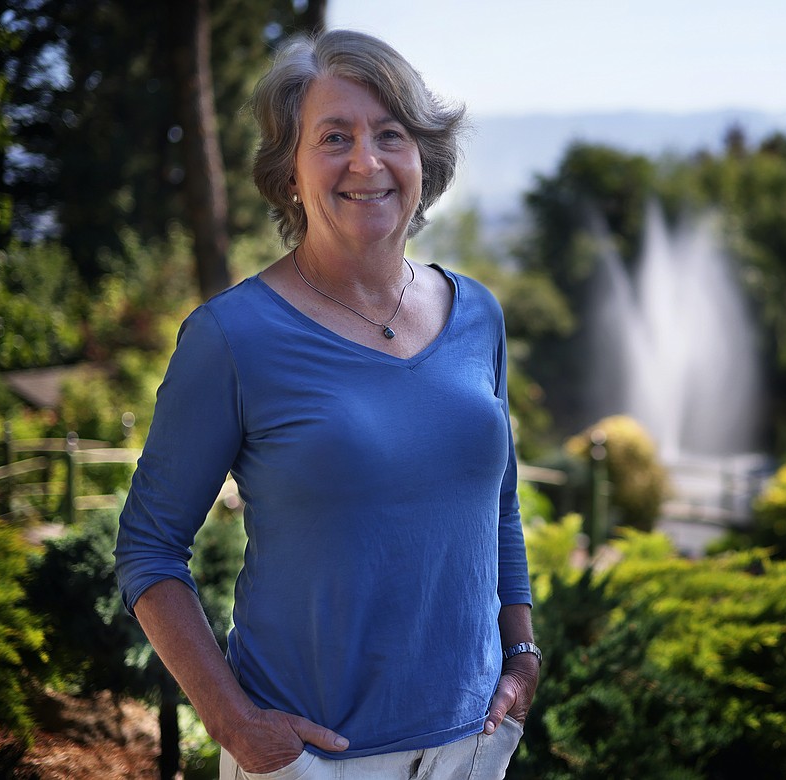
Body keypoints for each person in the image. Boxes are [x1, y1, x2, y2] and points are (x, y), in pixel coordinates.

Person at [114, 29, 539, 779]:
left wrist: (523, 653)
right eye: (334, 137)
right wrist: (236, 723)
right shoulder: (232, 337)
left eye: (391, 135)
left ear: (424, 161)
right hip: (313, 761)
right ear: (288, 173)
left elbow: (497, 501)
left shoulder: (479, 314)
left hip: (474, 748)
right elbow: (149, 550)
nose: (366, 162)